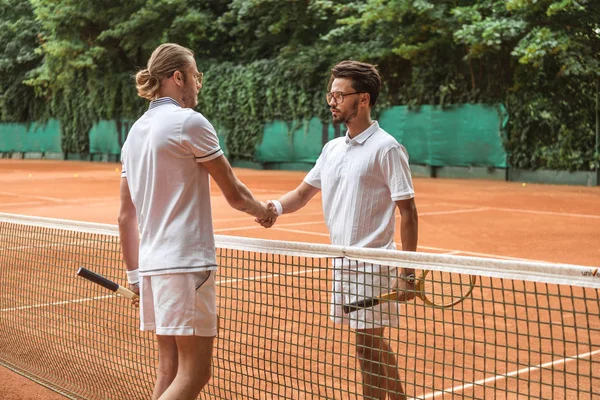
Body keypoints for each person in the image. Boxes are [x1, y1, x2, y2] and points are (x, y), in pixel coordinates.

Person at [118, 43, 276, 400]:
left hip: (153, 266)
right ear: (178, 77)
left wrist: (135, 275)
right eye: (196, 76)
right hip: (187, 264)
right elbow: (234, 193)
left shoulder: (134, 134)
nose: (198, 84)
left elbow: (125, 215)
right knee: (196, 373)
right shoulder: (190, 123)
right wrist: (264, 212)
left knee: (169, 369)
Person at [259, 60, 418, 400]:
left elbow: (408, 210)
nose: (331, 101)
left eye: (338, 95)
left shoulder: (387, 148)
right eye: (330, 94)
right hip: (342, 262)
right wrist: (274, 208)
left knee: (367, 347)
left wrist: (408, 271)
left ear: (363, 99)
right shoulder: (332, 149)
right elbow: (303, 193)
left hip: (374, 264)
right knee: (371, 344)